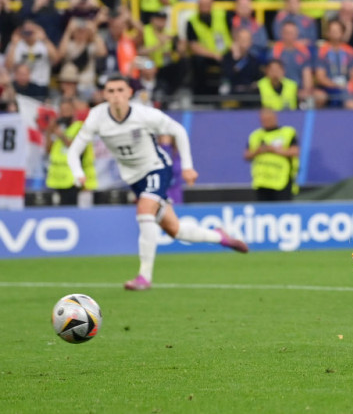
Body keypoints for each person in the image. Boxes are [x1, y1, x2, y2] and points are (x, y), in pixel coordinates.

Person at [67, 75, 249, 291]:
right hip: (133, 178)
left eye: (120, 90)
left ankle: (144, 277)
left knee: (144, 211)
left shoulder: (144, 114)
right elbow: (74, 149)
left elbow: (178, 131)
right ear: (104, 95)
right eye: (110, 91)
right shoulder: (97, 117)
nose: (115, 96)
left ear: (129, 93)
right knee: (175, 230)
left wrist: (188, 166)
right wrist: (78, 173)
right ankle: (220, 237)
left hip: (156, 167)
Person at [45, 98, 96, 205]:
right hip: (58, 179)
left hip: (75, 179)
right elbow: (48, 150)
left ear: (73, 111)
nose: (64, 113)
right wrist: (49, 132)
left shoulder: (80, 127)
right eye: (62, 110)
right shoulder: (59, 128)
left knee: (74, 209)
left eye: (67, 110)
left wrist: (61, 135)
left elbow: (76, 147)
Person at [244, 108, 299, 201]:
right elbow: (246, 155)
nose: (266, 121)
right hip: (262, 181)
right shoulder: (255, 135)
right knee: (264, 212)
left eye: (268, 119)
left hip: (281, 180)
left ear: (275, 117)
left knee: (283, 211)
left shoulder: (287, 132)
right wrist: (259, 150)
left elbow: (295, 151)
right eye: (263, 119)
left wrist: (273, 149)